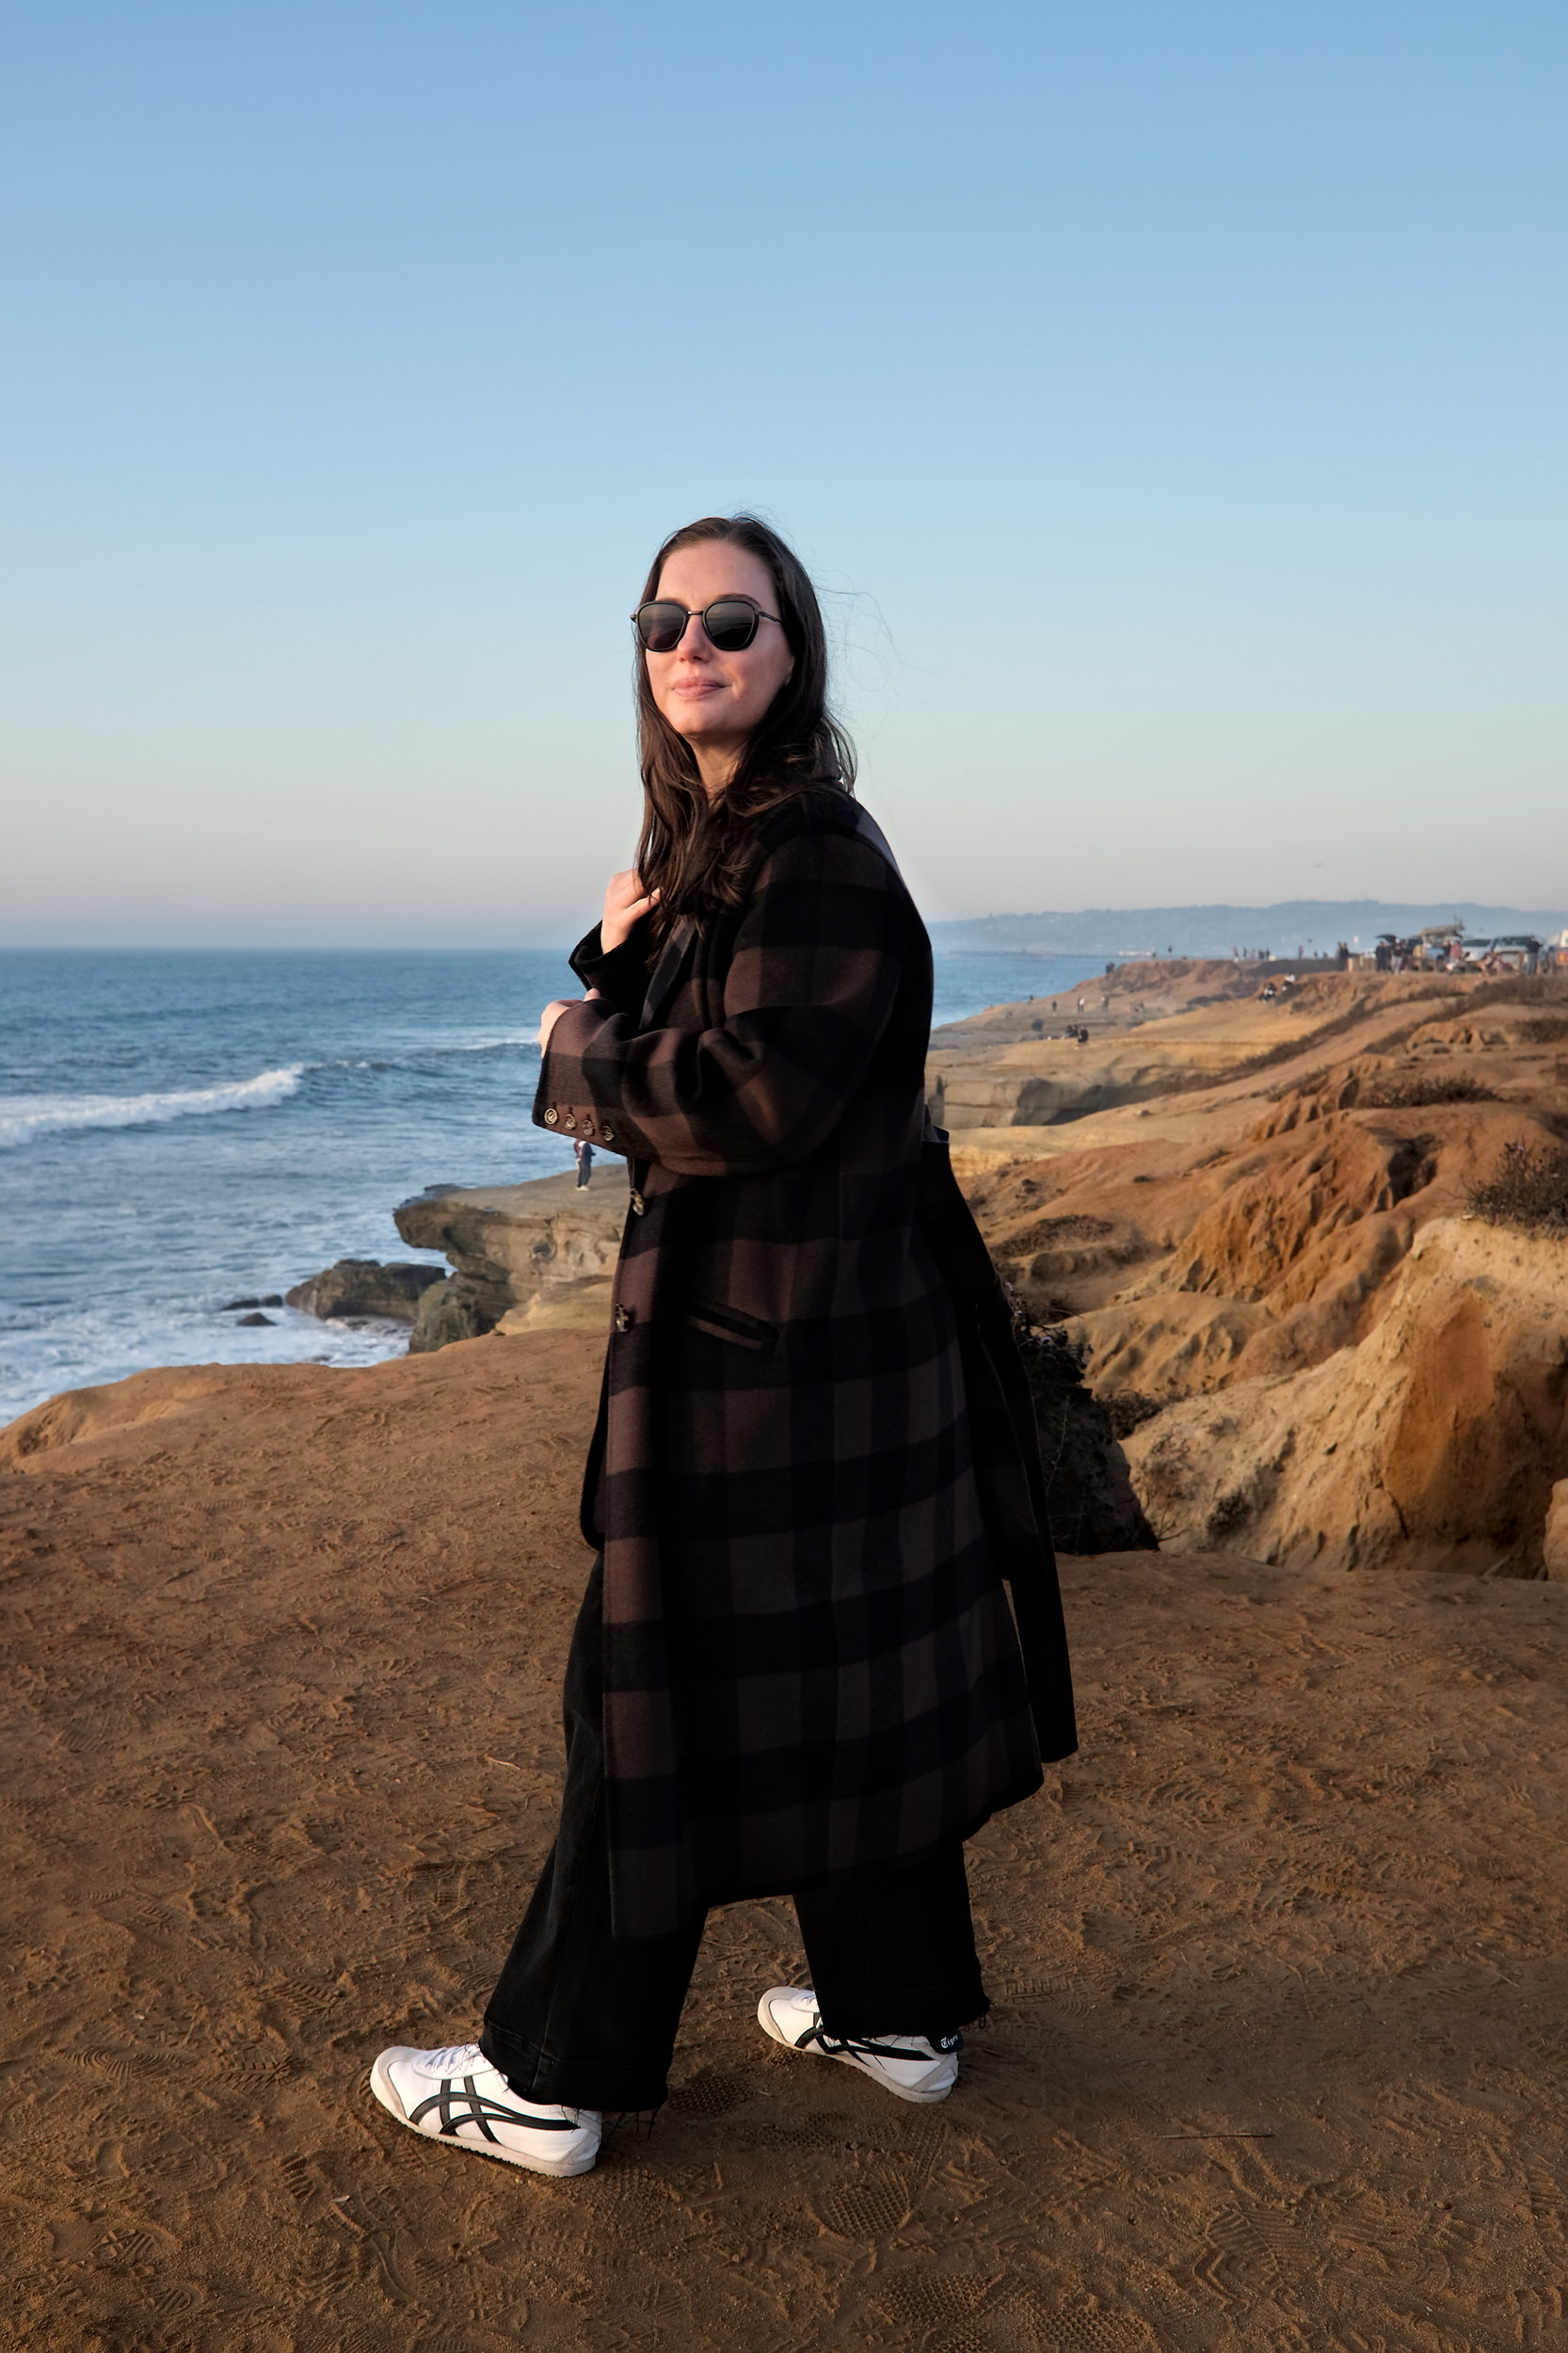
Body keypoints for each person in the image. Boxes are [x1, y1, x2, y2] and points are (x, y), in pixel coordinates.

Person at [369, 515, 1076, 2181]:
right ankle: (895, 2019)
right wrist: (616, 964)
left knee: (644, 1692)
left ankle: (549, 2080)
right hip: (820, 1357)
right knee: (846, 1678)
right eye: (662, 618)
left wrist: (570, 1042)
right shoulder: (741, 848)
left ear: (790, 647)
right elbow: (723, 1037)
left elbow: (754, 1097)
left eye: (730, 618)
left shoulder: (808, 846)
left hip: (766, 1371)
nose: (691, 642)